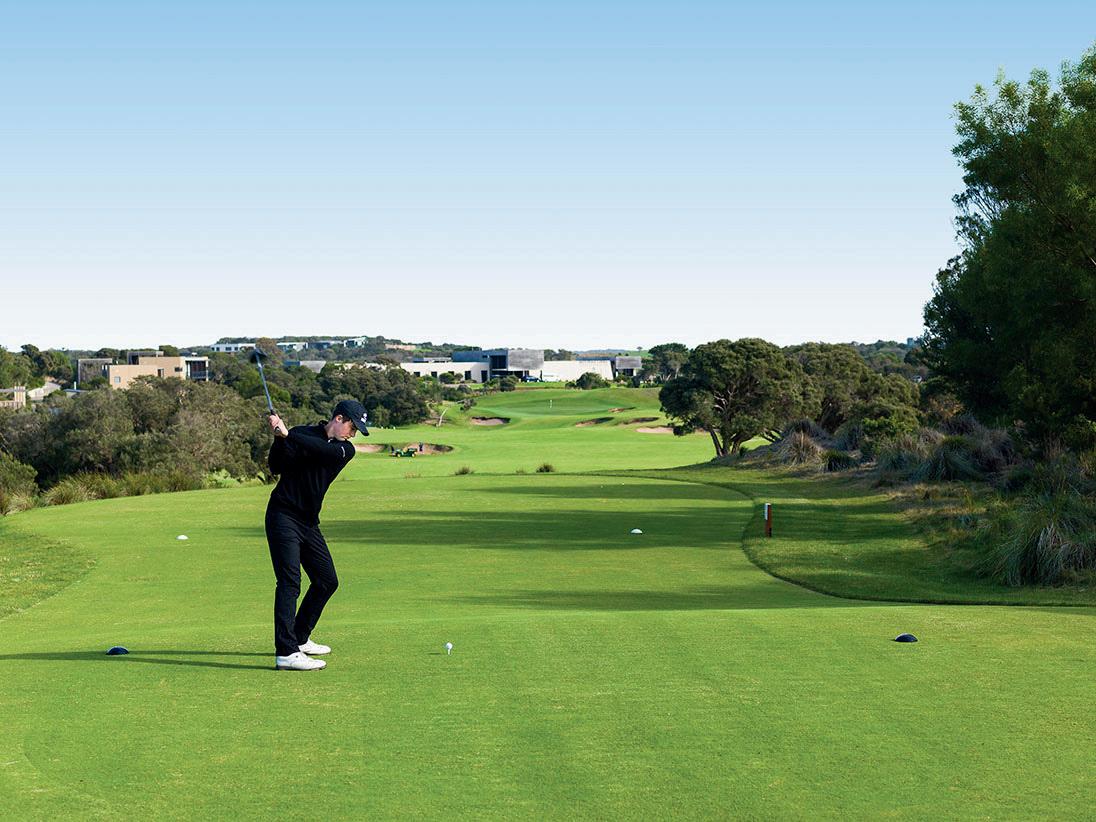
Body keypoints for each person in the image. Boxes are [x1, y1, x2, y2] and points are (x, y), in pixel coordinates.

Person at [265, 399, 369, 671]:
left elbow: (321, 451)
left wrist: (289, 434)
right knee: (289, 583)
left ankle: (299, 638)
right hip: (282, 515)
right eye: (352, 427)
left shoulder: (344, 450)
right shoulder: (302, 433)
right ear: (339, 418)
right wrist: (279, 439)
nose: (353, 434)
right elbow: (276, 466)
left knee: (326, 581)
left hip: (308, 523)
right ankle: (286, 652)